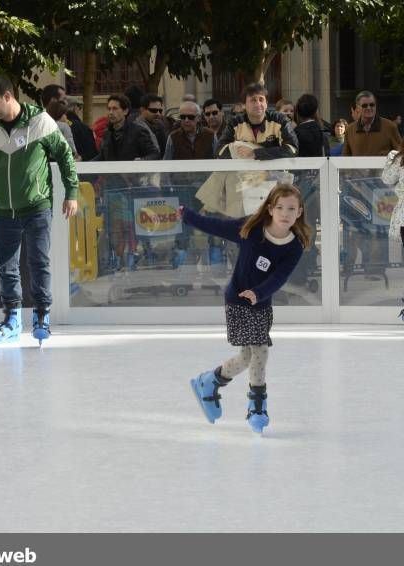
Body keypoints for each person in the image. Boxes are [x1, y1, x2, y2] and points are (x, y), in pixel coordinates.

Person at [182, 184, 311, 433]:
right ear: (271, 209)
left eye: (291, 209)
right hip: (237, 302)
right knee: (259, 351)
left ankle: (209, 381)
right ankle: (257, 406)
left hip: (261, 304)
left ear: (299, 212)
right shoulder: (252, 229)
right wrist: (188, 216)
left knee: (247, 357)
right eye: (280, 207)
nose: (285, 213)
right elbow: (217, 227)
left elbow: (279, 278)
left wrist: (259, 293)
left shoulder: (294, 245)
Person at [0, 74, 79, 345]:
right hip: (3, 209)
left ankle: (42, 316)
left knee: (39, 262)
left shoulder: (40, 121)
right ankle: (12, 318)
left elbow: (65, 156)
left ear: (8, 96)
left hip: (37, 207)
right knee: (6, 266)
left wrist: (71, 192)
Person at [217, 83, 298, 160]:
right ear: (244, 105)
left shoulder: (280, 120)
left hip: (274, 173)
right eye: (253, 100)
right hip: (243, 173)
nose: (258, 104)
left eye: (261, 99)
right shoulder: (234, 123)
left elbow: (292, 149)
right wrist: (238, 148)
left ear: (266, 104)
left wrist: (256, 153)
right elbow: (219, 151)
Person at [94, 94, 160, 161]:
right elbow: (102, 156)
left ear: (125, 111)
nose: (111, 112)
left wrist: (142, 160)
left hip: (132, 170)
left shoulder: (138, 131)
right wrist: (85, 165)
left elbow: (154, 154)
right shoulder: (107, 133)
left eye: (115, 109)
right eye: (109, 109)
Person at [342, 90, 402, 156]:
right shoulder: (350, 129)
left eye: (372, 105)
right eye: (364, 105)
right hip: (358, 166)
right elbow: (345, 157)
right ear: (357, 108)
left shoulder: (390, 126)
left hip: (383, 166)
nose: (369, 108)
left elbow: (401, 153)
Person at [382, 141, 404, 246]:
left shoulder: (400, 159)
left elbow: (387, 178)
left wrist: (391, 158)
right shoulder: (400, 159)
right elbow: (387, 179)